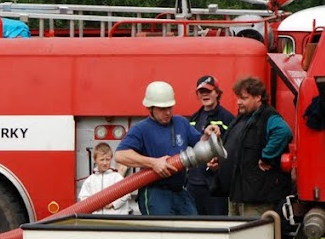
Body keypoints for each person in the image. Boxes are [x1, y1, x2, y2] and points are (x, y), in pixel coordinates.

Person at [114, 81, 216, 216]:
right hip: (154, 192)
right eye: (162, 109)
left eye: (170, 107)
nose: (168, 112)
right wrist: (153, 163)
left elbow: (199, 143)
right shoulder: (141, 129)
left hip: (179, 191)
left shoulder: (181, 123)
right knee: (161, 233)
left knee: (193, 228)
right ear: (150, 108)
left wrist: (207, 135)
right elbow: (120, 155)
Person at [215, 76, 294, 217]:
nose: (238, 102)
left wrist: (267, 157)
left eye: (243, 98)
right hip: (237, 194)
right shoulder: (242, 118)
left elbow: (284, 132)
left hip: (256, 198)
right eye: (238, 98)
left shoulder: (269, 117)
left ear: (258, 97)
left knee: (254, 237)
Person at [186, 75, 235, 215]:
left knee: (216, 226)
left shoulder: (227, 118)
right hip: (193, 184)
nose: (205, 95)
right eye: (201, 92)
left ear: (217, 93)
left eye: (209, 91)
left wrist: (219, 163)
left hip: (214, 186)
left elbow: (232, 149)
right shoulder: (194, 118)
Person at [78, 142, 131, 214]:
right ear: (95, 159)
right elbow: (83, 198)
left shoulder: (117, 177)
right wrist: (94, 206)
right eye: (102, 160)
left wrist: (113, 204)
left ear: (111, 159)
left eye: (107, 159)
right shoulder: (90, 180)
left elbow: (126, 194)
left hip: (115, 221)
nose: (105, 163)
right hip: (96, 222)